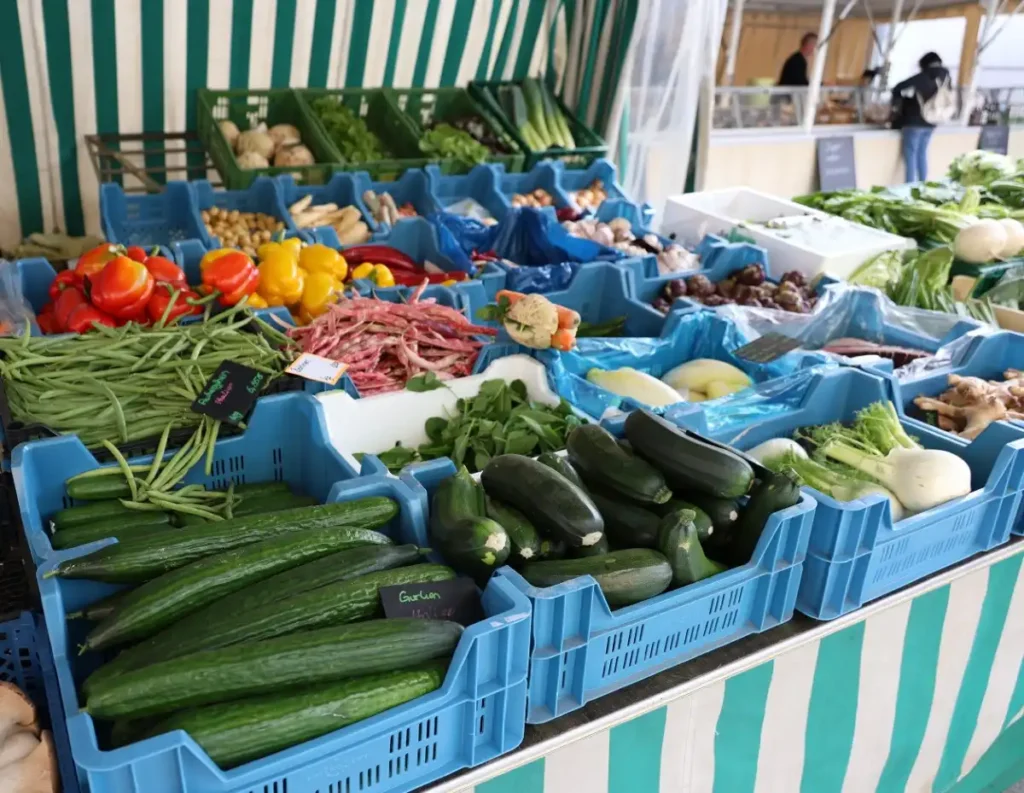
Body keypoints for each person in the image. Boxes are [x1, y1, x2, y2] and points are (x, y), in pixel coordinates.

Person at [892, 52, 954, 182]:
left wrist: (899, 102)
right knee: (922, 154)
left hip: (914, 121)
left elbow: (898, 87)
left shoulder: (923, 76)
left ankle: (910, 187)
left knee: (911, 156)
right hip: (932, 121)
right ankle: (923, 185)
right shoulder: (946, 78)